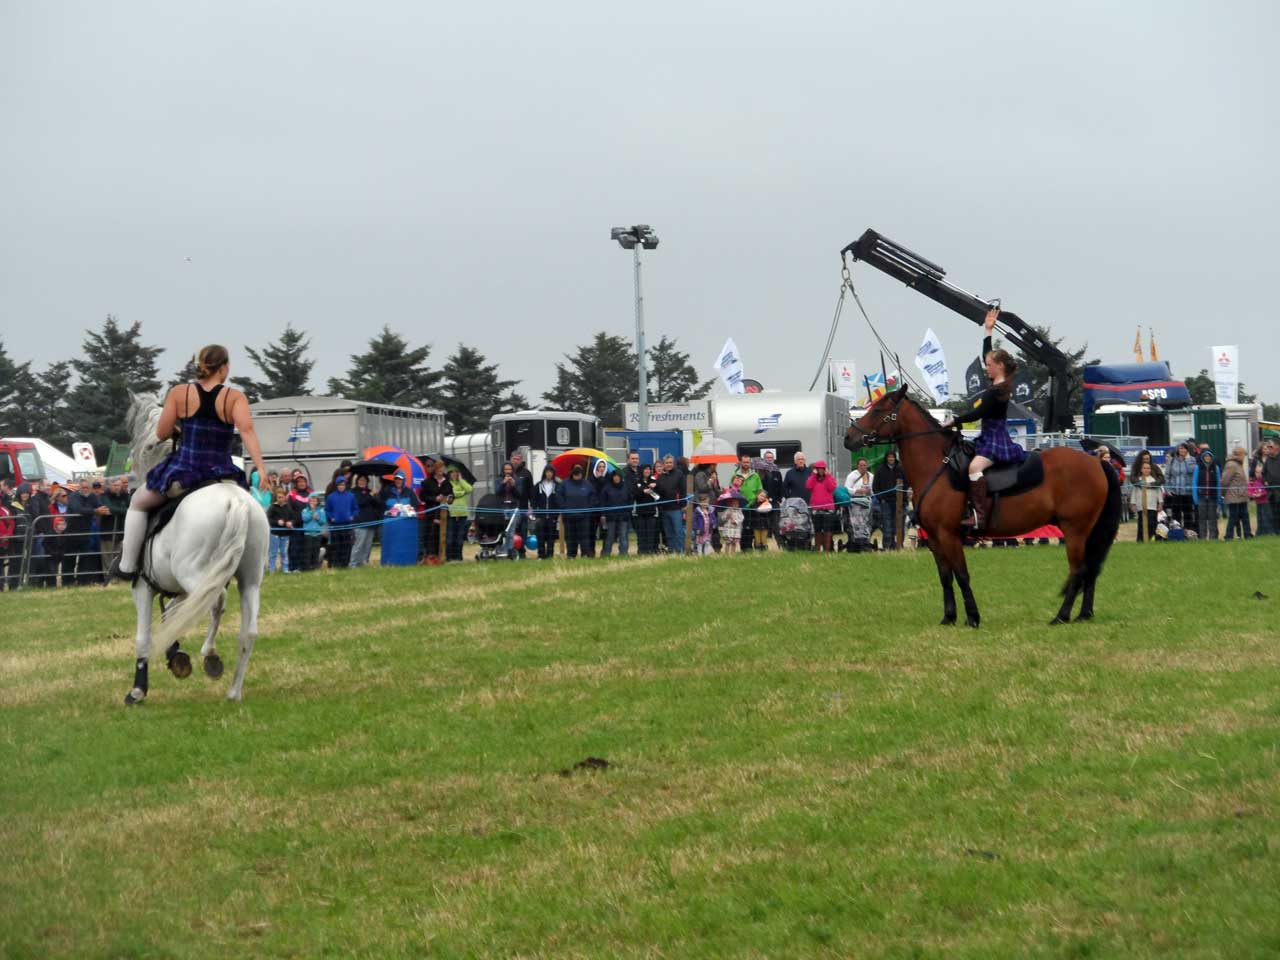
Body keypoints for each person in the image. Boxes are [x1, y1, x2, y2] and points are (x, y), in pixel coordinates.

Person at [111, 345, 268, 583]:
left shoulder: (179, 393)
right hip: (221, 472)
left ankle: (128, 564)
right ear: (224, 367)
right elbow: (247, 431)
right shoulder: (235, 397)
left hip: (185, 471)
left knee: (137, 503)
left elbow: (162, 433)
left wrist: (177, 429)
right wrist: (262, 469)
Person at [940, 308, 1026, 530]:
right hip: (987, 434)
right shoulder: (997, 382)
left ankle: (980, 516)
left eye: (989, 365)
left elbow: (978, 414)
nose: (986, 367)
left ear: (999, 367)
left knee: (974, 468)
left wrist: (954, 421)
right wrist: (988, 331)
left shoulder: (1000, 390)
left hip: (996, 438)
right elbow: (988, 354)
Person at [560, 464, 596, 559]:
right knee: (570, 537)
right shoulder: (564, 484)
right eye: (575, 470)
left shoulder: (587, 484)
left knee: (584, 537)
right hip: (569, 516)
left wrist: (588, 508)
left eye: (579, 470)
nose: (577, 473)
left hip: (584, 517)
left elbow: (593, 497)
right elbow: (559, 497)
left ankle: (585, 554)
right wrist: (564, 507)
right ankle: (571, 555)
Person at [871, 451, 906, 550]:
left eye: (893, 457)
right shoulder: (880, 470)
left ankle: (899, 544)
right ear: (886, 458)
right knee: (887, 524)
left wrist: (904, 496)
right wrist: (881, 498)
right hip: (886, 502)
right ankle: (887, 546)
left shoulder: (901, 469)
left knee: (900, 524)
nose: (891, 459)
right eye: (889, 457)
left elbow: (907, 483)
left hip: (900, 502)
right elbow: (875, 487)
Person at [731, 455, 763, 552]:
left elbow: (759, 490)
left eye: (748, 462)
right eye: (744, 462)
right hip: (740, 505)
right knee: (742, 527)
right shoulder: (735, 475)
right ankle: (744, 548)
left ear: (750, 463)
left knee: (752, 526)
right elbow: (731, 490)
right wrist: (736, 486)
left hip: (752, 504)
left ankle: (750, 547)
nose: (746, 464)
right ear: (740, 463)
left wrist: (760, 496)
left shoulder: (755, 475)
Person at [655, 456, 687, 554]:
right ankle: (672, 551)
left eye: (670, 462)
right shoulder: (661, 477)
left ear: (673, 463)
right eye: (666, 463)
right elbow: (659, 493)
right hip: (665, 509)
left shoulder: (679, 474)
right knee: (668, 533)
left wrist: (683, 505)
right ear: (664, 464)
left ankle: (680, 551)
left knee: (678, 531)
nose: (668, 464)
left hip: (676, 508)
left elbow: (683, 490)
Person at [806, 460, 838, 553]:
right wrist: (813, 475)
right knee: (817, 530)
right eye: (818, 469)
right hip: (816, 508)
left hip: (828, 509)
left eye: (822, 469)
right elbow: (808, 486)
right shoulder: (812, 478)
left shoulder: (829, 478)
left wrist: (828, 476)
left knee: (828, 530)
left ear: (825, 469)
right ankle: (817, 549)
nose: (820, 471)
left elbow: (832, 487)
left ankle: (827, 550)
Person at [530, 466, 562, 560]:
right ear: (544, 473)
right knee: (540, 536)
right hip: (541, 516)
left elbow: (559, 500)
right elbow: (533, 500)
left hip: (552, 516)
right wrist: (536, 512)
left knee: (551, 537)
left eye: (550, 472)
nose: (549, 474)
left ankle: (550, 555)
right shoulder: (538, 485)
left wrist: (557, 513)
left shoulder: (557, 486)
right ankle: (541, 555)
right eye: (547, 472)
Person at [600, 469, 634, 556]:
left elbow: (630, 499)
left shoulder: (626, 486)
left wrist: (628, 511)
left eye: (618, 476)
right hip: (610, 517)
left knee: (623, 536)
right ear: (612, 477)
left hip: (624, 516)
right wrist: (603, 514)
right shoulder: (606, 487)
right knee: (610, 536)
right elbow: (602, 501)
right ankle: (606, 554)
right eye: (614, 476)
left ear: (621, 477)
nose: (616, 478)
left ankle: (624, 553)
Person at [325, 475, 356, 567]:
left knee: (347, 545)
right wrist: (331, 517)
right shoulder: (331, 497)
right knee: (335, 545)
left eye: (343, 484)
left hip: (347, 524)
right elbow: (327, 510)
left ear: (345, 485)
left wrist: (352, 516)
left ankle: (345, 563)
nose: (341, 486)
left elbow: (355, 509)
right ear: (336, 485)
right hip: (335, 525)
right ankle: (335, 563)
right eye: (339, 485)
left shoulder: (351, 496)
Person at [844, 458, 875, 552]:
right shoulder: (852, 475)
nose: (863, 467)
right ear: (857, 466)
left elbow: (874, 490)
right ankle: (855, 544)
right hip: (855, 503)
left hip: (867, 502)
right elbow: (846, 489)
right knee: (855, 524)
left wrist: (870, 491)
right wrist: (857, 490)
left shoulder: (871, 476)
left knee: (866, 523)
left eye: (864, 465)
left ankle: (865, 543)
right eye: (861, 465)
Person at [1191, 447, 1221, 540]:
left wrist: (1218, 497)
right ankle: (1203, 537)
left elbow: (1218, 483)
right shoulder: (1197, 467)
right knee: (1202, 518)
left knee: (1213, 518)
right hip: (1201, 497)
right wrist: (1195, 498)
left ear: (1211, 457)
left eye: (1209, 456)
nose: (1207, 457)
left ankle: (1213, 537)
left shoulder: (1215, 468)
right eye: (1206, 456)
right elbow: (1194, 483)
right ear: (1202, 457)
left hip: (1212, 497)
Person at [1221, 447, 1251, 541]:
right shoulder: (1231, 465)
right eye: (1243, 455)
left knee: (1245, 516)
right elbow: (1224, 481)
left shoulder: (1238, 464)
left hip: (1241, 496)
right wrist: (1223, 493)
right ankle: (1228, 536)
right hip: (1234, 496)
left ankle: (1248, 534)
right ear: (1239, 455)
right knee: (1233, 517)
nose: (1244, 457)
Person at [348, 474, 379, 567]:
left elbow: (376, 505)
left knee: (368, 545)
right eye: (360, 480)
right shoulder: (353, 492)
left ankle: (364, 562)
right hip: (359, 522)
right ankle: (353, 563)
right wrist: (370, 496)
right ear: (357, 481)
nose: (362, 482)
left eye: (364, 480)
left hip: (370, 522)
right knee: (359, 545)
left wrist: (375, 496)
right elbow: (360, 502)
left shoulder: (369, 492)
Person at [1129, 461, 1163, 543]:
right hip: (1141, 507)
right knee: (1141, 524)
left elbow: (1159, 492)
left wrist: (1160, 503)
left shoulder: (1154, 480)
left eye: (1148, 468)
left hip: (1152, 506)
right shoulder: (1138, 481)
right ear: (1141, 469)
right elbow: (1134, 492)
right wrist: (1133, 504)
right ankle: (1140, 540)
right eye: (1144, 468)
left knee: (1151, 524)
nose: (1146, 470)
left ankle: (1152, 539)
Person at [1163, 443, 1195, 530]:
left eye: (1185, 449)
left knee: (1188, 514)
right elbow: (1167, 476)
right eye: (1181, 448)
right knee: (1176, 514)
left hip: (1188, 492)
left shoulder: (1192, 460)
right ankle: (1177, 533)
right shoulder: (1172, 461)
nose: (1183, 450)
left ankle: (1188, 533)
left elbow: (1191, 470)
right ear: (1177, 450)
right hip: (1175, 492)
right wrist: (1168, 489)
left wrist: (1187, 460)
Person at [445, 467, 472, 562]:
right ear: (449, 473)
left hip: (462, 513)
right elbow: (453, 493)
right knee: (450, 536)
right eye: (452, 472)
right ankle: (449, 557)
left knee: (460, 536)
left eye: (456, 472)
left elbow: (469, 489)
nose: (454, 474)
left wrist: (460, 480)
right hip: (451, 513)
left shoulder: (461, 482)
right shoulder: (447, 483)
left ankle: (459, 557)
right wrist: (462, 492)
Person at [633, 463, 661, 555]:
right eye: (645, 469)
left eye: (649, 469)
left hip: (651, 511)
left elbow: (658, 496)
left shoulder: (654, 481)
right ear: (642, 470)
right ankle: (641, 551)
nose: (647, 471)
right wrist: (643, 491)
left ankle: (651, 551)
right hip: (640, 512)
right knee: (641, 533)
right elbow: (634, 495)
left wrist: (654, 487)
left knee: (651, 533)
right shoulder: (637, 481)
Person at [266, 490, 295, 572]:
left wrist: (290, 522)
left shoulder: (288, 507)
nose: (280, 499)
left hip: (285, 534)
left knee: (284, 552)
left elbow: (293, 518)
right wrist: (277, 522)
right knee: (273, 552)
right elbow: (268, 519)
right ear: (276, 498)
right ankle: (271, 569)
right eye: (278, 497)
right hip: (275, 534)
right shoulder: (272, 507)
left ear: (285, 497)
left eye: (282, 497)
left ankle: (285, 569)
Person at [717, 478, 747, 554]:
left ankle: (733, 554)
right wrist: (727, 516)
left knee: (734, 543)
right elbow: (723, 518)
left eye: (736, 503)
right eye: (733, 503)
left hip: (736, 529)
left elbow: (742, 518)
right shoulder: (728, 509)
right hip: (728, 529)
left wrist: (736, 521)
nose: (735, 505)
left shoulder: (739, 510)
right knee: (728, 542)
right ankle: (727, 554)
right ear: (731, 503)